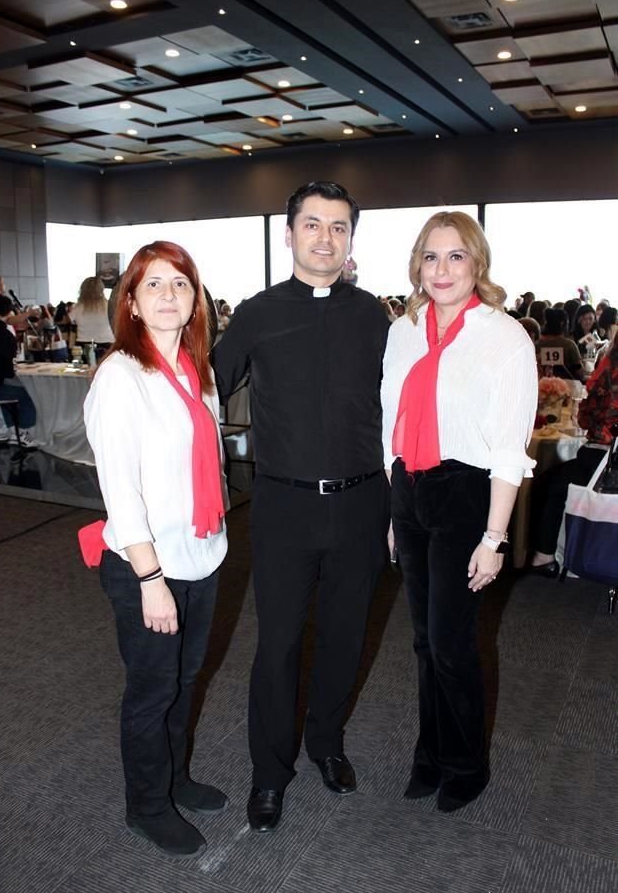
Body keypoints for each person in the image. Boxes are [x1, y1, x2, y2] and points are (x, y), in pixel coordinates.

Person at [213, 181, 390, 832]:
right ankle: (269, 771)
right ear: (288, 234)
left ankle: (326, 741)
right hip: (284, 506)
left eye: (339, 227)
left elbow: (400, 409)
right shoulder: (257, 313)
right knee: (279, 645)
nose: (325, 237)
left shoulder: (373, 316)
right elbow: (203, 386)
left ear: (350, 240)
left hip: (361, 503)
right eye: (312, 224)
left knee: (345, 638)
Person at [381, 211, 537, 813]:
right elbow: (389, 423)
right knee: (423, 640)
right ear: (416, 265)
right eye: (430, 257)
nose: (442, 270)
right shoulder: (403, 329)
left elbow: (508, 448)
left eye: (455, 257)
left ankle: (467, 764)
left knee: (451, 642)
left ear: (477, 264)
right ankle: (431, 752)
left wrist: (494, 537)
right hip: (409, 489)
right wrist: (395, 514)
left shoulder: (504, 337)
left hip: (465, 493)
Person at [83, 241, 228, 857]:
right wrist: (150, 578)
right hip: (149, 567)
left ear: (195, 297)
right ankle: (146, 806)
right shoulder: (120, 376)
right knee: (152, 690)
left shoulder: (197, 370)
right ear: (133, 303)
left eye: (180, 284)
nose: (169, 295)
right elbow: (121, 488)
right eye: (154, 285)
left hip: (202, 554)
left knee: (185, 678)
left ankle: (173, 778)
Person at [529, 342, 618, 575]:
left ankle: (543, 553)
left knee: (548, 483)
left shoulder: (610, 367)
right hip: (606, 458)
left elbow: (587, 417)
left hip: (605, 458)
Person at [0, 294, 38, 449]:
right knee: (27, 394)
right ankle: (19, 432)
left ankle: (1, 429)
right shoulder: (6, 336)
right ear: (9, 312)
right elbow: (7, 372)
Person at [536, 308, 583, 380]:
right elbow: (579, 373)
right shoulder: (569, 345)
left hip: (540, 386)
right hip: (567, 387)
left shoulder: (536, 345)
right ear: (563, 323)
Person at [71, 276, 114, 353]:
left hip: (83, 344)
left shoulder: (77, 307)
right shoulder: (109, 306)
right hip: (106, 344)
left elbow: (68, 320)